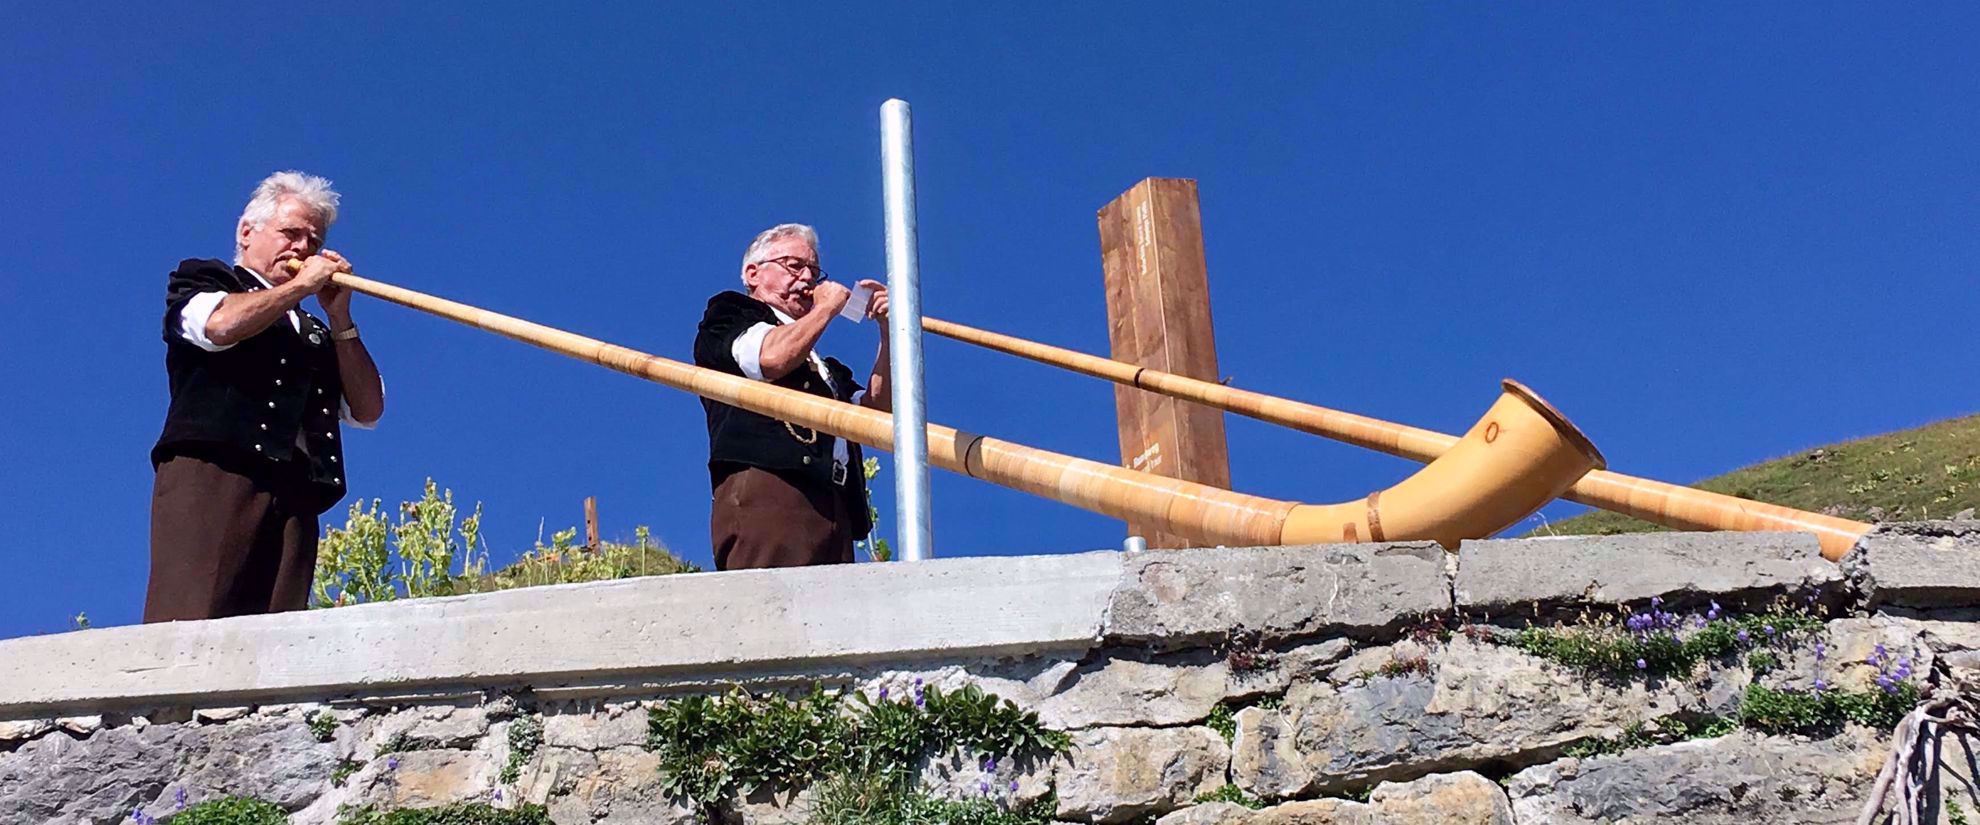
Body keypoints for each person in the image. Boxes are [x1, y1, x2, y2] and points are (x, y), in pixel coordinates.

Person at [145, 171, 386, 621]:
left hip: (295, 493)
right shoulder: (205, 279)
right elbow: (218, 328)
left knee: (274, 635)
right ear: (247, 232)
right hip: (216, 475)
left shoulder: (316, 333)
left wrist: (339, 319)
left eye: (312, 242)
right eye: (290, 233)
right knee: (192, 617)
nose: (301, 249)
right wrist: (296, 288)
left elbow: (368, 409)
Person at [693, 223, 891, 570]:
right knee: (771, 609)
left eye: (813, 272)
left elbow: (879, 413)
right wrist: (826, 309)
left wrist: (889, 332)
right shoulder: (731, 315)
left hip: (834, 506)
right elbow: (770, 359)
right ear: (753, 273)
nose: (806, 280)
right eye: (793, 266)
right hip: (772, 490)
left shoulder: (827, 369)